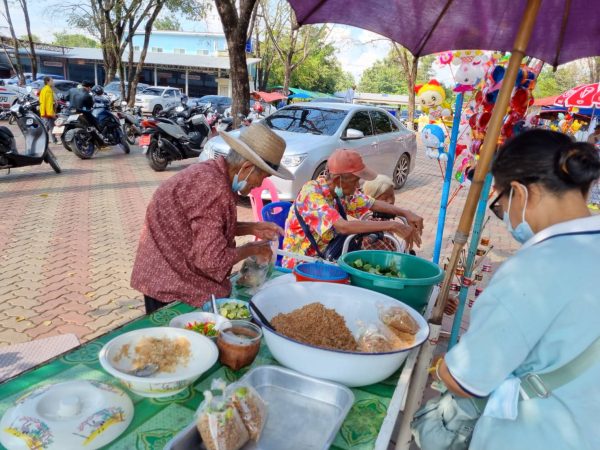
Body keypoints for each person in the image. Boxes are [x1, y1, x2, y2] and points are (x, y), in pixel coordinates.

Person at [431, 129, 600, 450]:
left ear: (522, 193)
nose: (505, 217)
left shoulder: (535, 268)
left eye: (500, 206)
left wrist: (440, 367)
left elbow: (466, 379)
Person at [131, 122, 294, 314]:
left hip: (168, 269)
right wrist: (253, 248)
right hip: (170, 281)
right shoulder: (213, 188)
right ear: (247, 167)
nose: (259, 185)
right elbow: (211, 261)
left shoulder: (214, 173)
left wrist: (251, 227)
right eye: (263, 177)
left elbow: (207, 227)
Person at [281, 149, 423, 268]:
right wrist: (392, 225)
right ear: (337, 180)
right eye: (355, 181)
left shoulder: (340, 191)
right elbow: (343, 227)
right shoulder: (311, 194)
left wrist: (406, 213)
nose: (357, 186)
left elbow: (372, 203)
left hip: (327, 257)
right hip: (302, 263)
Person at [39, 76, 57, 144]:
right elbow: (49, 103)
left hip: (44, 111)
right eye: (51, 81)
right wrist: (51, 113)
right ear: (47, 81)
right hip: (48, 112)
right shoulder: (48, 90)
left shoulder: (44, 89)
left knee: (47, 126)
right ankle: (54, 140)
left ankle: (43, 139)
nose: (53, 82)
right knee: (52, 126)